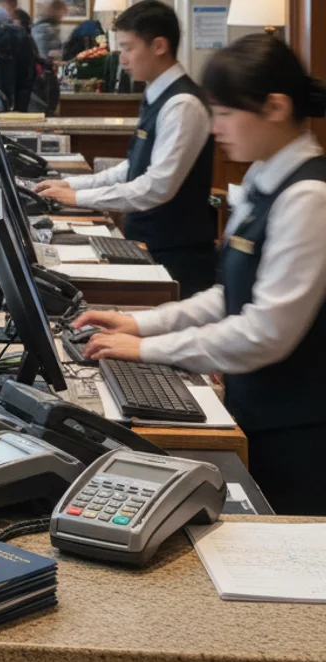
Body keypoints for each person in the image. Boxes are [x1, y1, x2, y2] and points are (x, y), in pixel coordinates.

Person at [76, 34, 326, 516]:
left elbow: (265, 332)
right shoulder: (262, 177)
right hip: (259, 408)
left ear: (275, 107)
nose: (214, 127)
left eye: (227, 113)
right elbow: (227, 295)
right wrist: (140, 323)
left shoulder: (308, 197)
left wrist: (149, 350)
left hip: (301, 427)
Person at [37, 1, 216, 299]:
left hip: (176, 254)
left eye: (128, 47)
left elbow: (156, 186)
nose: (122, 59)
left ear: (159, 45)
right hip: (148, 242)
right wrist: (70, 185)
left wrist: (80, 198)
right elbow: (133, 167)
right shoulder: (156, 93)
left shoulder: (183, 105)